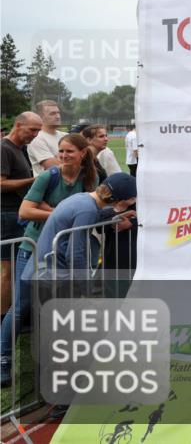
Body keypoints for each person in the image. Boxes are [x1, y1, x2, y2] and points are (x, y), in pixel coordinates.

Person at [0, 133, 99, 387]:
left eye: (69, 152)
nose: (64, 156)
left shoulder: (89, 178)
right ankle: (3, 359)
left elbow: (91, 210)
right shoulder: (49, 176)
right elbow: (25, 210)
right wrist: (60, 214)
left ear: (82, 154)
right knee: (21, 306)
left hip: (64, 254)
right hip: (33, 248)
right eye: (61, 151)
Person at [0, 112, 42, 315]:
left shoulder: (21, 149)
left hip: (18, 214)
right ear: (18, 125)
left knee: (20, 268)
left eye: (38, 131)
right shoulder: (4, 148)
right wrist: (33, 182)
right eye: (32, 130)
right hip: (7, 215)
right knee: (8, 271)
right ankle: (3, 318)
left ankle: (16, 313)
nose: (35, 134)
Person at [27, 100, 65, 176]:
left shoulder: (66, 136)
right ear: (40, 117)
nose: (58, 116)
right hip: (49, 186)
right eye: (52, 114)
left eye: (58, 113)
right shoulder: (36, 139)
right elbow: (56, 167)